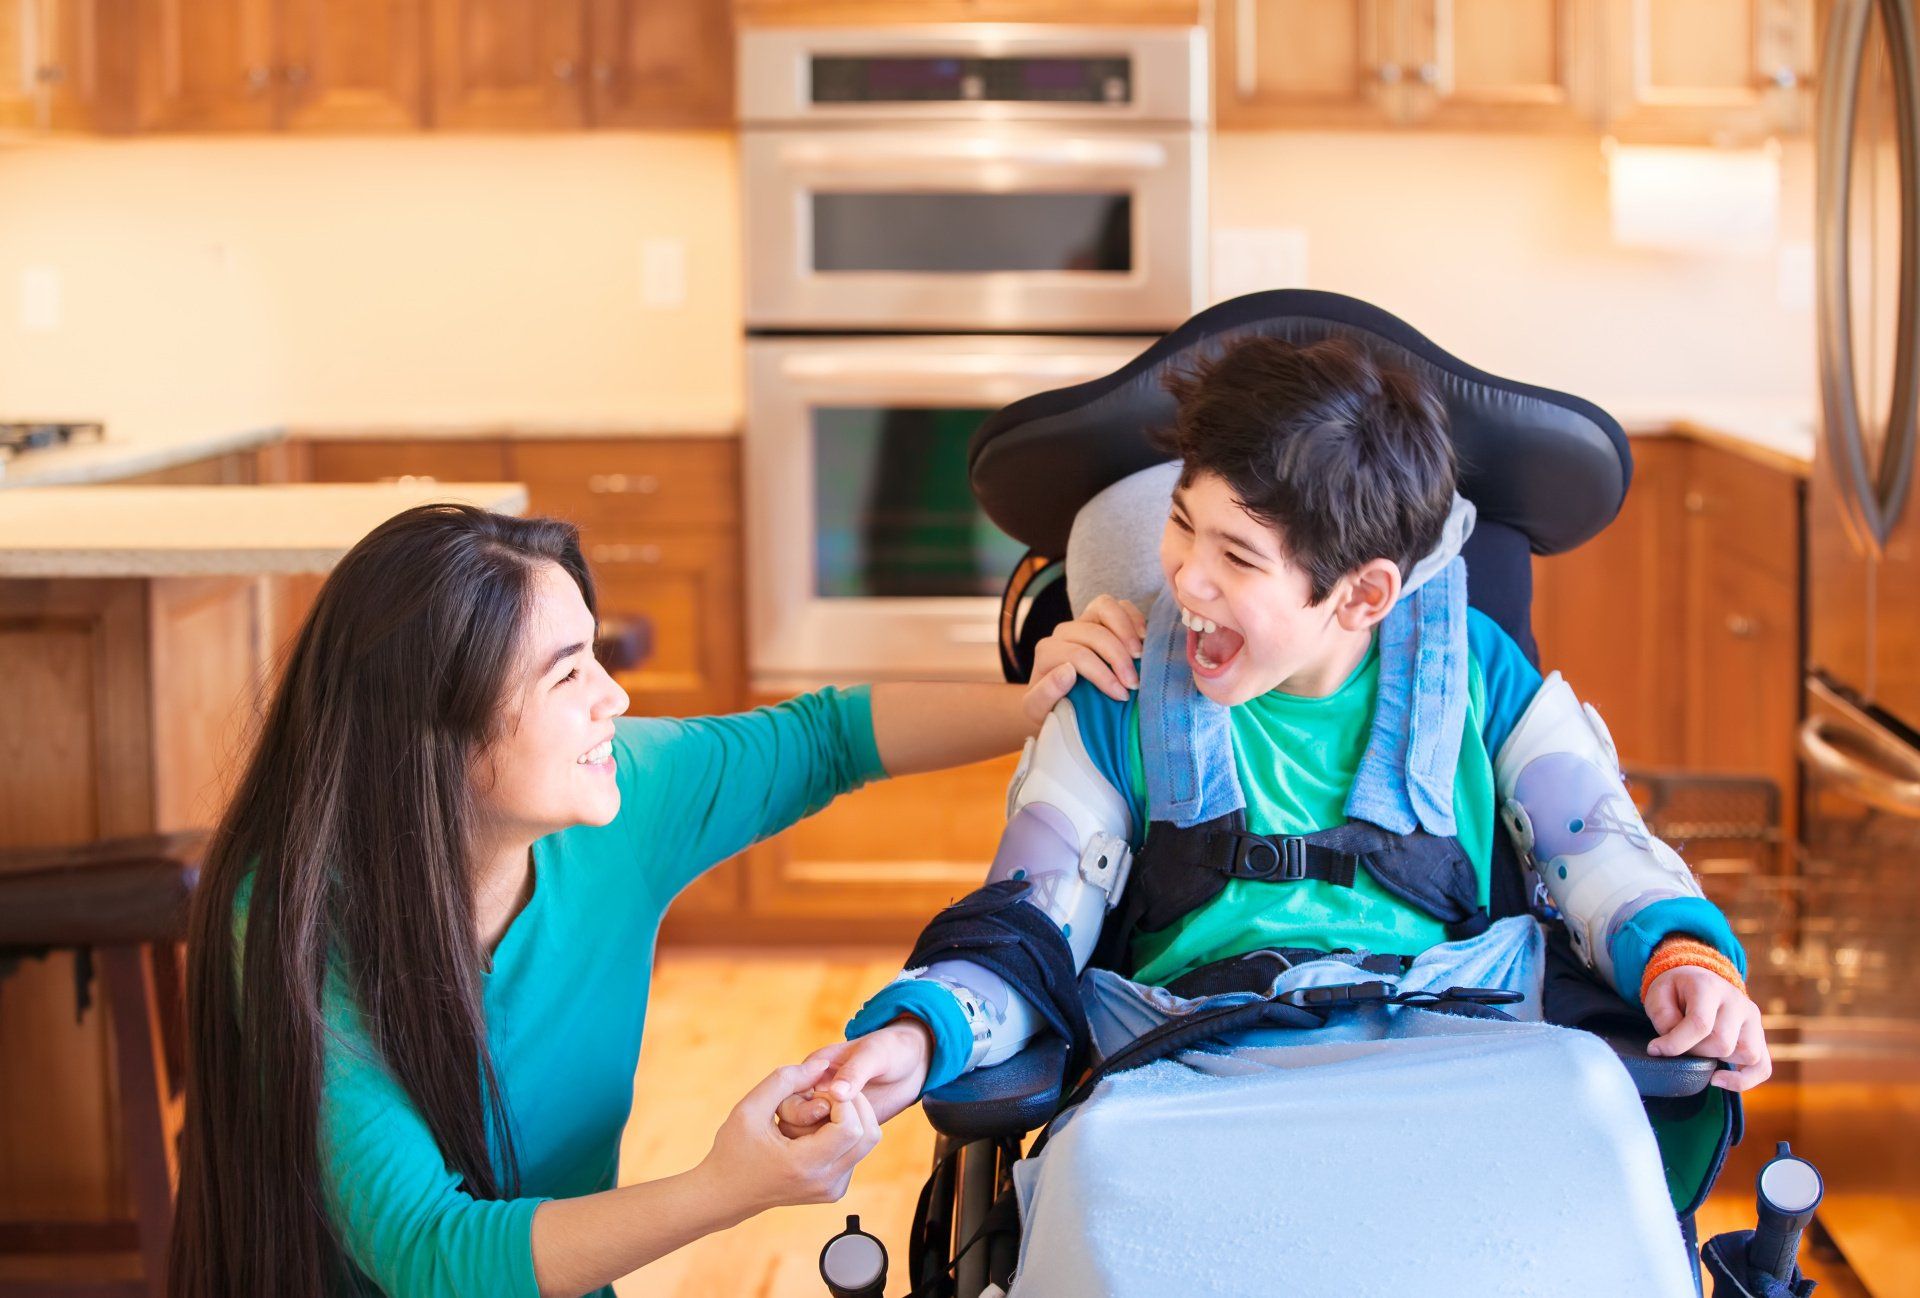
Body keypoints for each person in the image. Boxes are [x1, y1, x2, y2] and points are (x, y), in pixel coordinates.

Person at [779, 332, 1769, 1145]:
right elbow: (1027, 921)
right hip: (1194, 1081)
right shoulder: (1122, 685)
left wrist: (1682, 956)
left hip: (1454, 1071)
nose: (1185, 578)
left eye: (1238, 555)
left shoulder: (1473, 672)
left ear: (1364, 592)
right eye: (1182, 524)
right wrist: (919, 1031)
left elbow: (1598, 849)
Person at [167, 502, 1080, 1298]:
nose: (615, 694)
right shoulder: (297, 922)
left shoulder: (621, 798)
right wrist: (727, 1185)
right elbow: (428, 1255)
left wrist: (1044, 707)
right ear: (433, 732)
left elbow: (829, 738)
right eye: (567, 674)